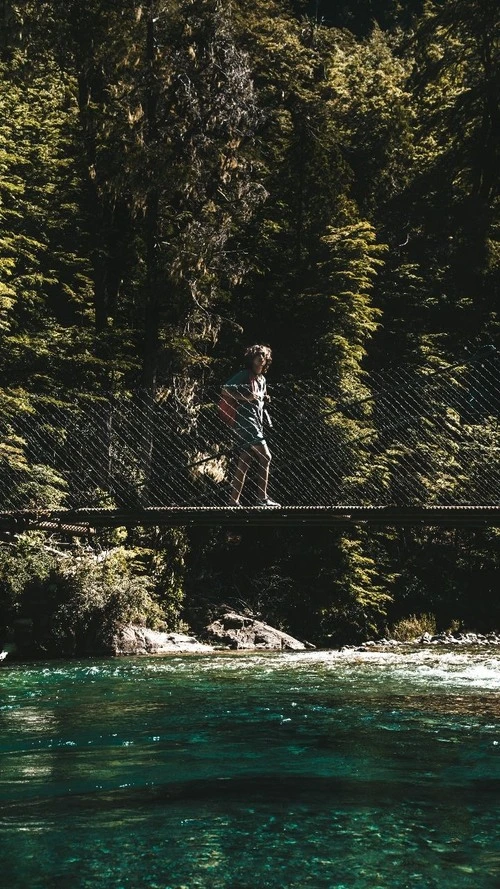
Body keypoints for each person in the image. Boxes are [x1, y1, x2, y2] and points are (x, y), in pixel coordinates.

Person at [222, 344, 280, 507]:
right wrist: (246, 397)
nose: (261, 358)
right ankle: (262, 499)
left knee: (245, 460)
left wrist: (264, 398)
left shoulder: (262, 379)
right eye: (258, 355)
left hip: (257, 422)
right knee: (266, 457)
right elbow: (225, 390)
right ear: (252, 358)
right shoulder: (244, 375)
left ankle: (233, 501)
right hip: (246, 422)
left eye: (263, 356)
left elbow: (258, 398)